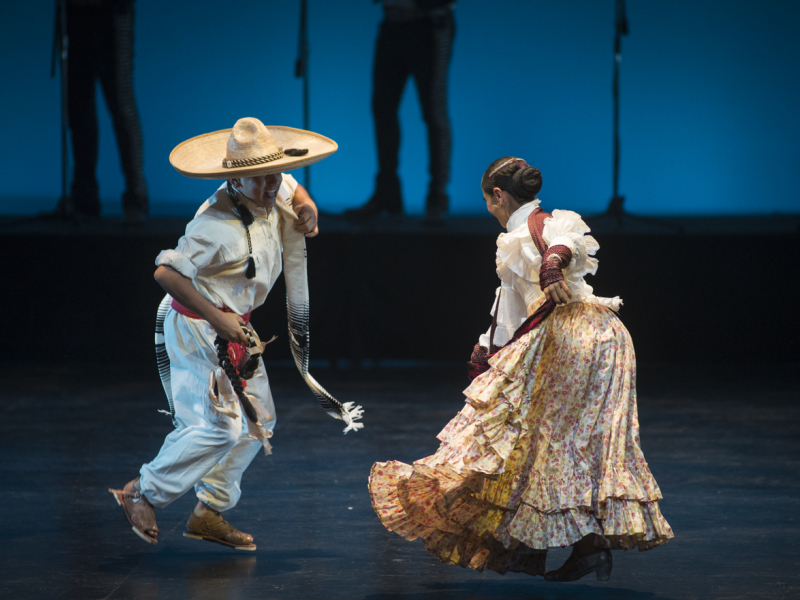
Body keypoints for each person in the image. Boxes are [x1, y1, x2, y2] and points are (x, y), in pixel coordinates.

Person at [368, 157, 673, 581]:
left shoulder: (532, 228)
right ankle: (570, 546)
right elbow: (510, 308)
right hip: (605, 340)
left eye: (489, 202)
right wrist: (485, 354)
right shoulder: (534, 229)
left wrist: (553, 265)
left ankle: (540, 546)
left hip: (569, 340)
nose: (489, 211)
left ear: (499, 195)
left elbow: (562, 243)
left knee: (532, 441)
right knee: (566, 443)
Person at [109, 117, 339, 550]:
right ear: (236, 177)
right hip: (198, 328)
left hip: (237, 328)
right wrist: (217, 320)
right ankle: (142, 491)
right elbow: (165, 273)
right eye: (261, 177)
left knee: (260, 422)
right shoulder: (213, 226)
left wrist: (307, 205)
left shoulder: (270, 184)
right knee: (220, 430)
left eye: (275, 173)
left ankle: (208, 511)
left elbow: (290, 185)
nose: (273, 184)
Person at [345, 0, 455, 224]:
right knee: (382, 109)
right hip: (393, 22)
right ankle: (387, 194)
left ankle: (437, 198)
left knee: (434, 112)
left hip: (429, 22)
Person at [51, 0, 148, 223]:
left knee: (121, 104)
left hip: (111, 12)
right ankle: (84, 199)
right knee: (79, 110)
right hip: (74, 12)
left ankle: (135, 197)